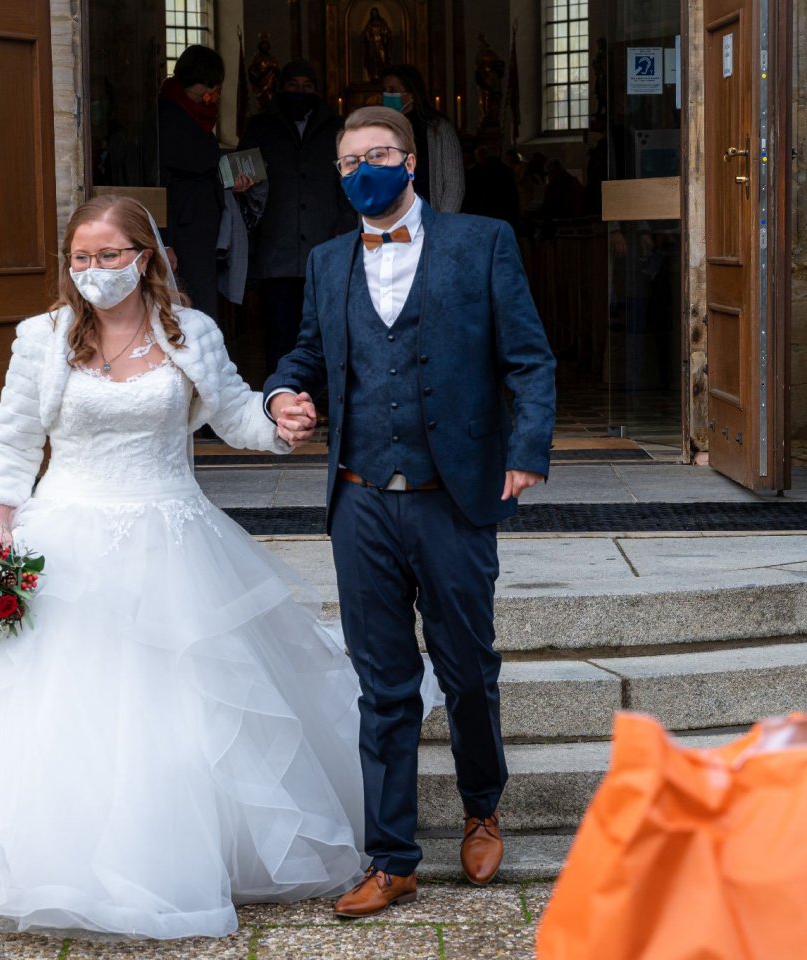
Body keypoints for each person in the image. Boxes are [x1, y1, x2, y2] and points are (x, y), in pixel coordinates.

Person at [0, 195, 369, 939]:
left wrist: (281, 422)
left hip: (174, 540)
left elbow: (235, 414)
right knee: (60, 716)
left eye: (108, 255)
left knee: (186, 711)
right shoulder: (42, 338)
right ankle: (53, 865)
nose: (93, 270)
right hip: (65, 541)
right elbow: (10, 438)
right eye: (80, 257)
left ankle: (183, 859)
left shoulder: (191, 332)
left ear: (144, 257)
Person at [264, 106, 556, 917]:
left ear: (411, 161)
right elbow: (308, 352)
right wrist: (283, 392)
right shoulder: (326, 260)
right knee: (382, 685)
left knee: (467, 670)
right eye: (350, 161)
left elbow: (528, 359)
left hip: (451, 500)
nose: (366, 170)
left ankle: (481, 808)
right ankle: (391, 857)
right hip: (360, 502)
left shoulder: (482, 242)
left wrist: (527, 450)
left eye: (380, 154)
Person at [237, 59, 354, 376]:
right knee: (279, 332)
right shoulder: (260, 127)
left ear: (316, 90)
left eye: (307, 86)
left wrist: (344, 227)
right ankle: (282, 393)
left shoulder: (336, 128)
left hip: (324, 246)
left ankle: (320, 395)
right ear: (281, 88)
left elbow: (349, 183)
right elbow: (240, 179)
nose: (300, 92)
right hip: (277, 249)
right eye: (293, 85)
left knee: (324, 331)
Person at [158, 44, 251, 317]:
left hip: (201, 226)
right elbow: (162, 182)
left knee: (202, 297)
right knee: (191, 301)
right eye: (205, 84)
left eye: (214, 85)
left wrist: (230, 181)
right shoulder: (166, 116)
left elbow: (203, 165)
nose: (209, 93)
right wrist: (165, 242)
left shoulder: (195, 114)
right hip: (183, 229)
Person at [380, 64, 464, 213]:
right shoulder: (380, 130)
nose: (387, 96)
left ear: (411, 94)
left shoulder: (439, 130)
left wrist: (441, 222)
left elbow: (454, 185)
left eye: (393, 91)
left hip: (428, 215)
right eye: (385, 90)